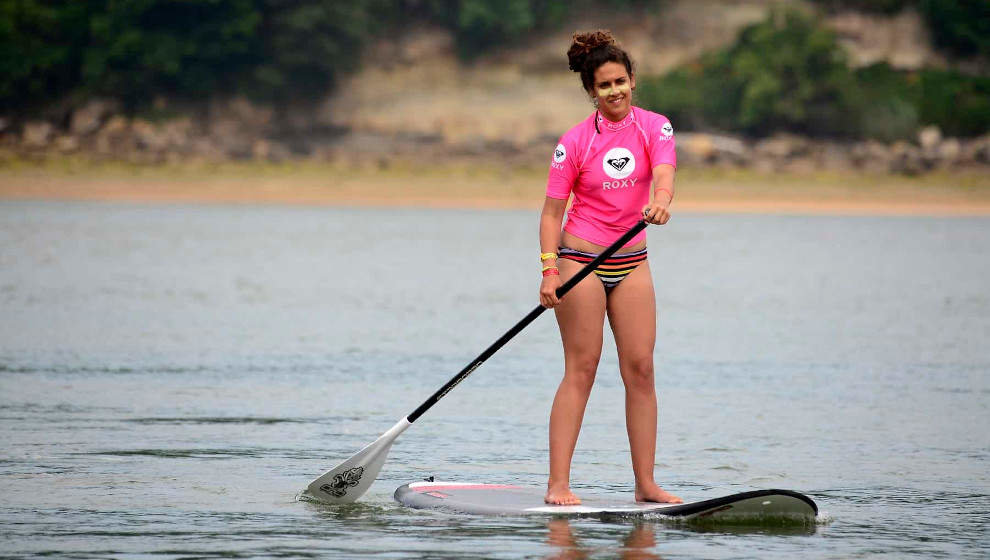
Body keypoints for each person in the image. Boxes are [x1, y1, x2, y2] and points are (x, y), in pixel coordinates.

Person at [538, 30, 682, 506]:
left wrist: (661, 202)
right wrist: (549, 272)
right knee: (582, 368)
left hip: (632, 261)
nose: (615, 91)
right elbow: (550, 214)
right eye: (604, 86)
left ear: (633, 80)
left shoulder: (655, 127)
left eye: (621, 81)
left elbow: (663, 172)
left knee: (640, 369)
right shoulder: (574, 142)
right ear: (591, 93)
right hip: (580, 263)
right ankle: (558, 484)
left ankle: (645, 484)